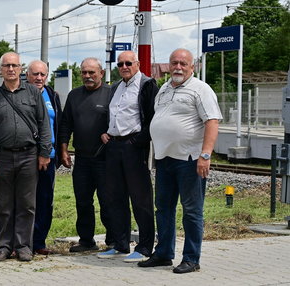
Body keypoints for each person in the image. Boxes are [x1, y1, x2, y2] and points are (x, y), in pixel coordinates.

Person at [139, 49, 222, 274]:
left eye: (183, 63)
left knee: (192, 210)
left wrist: (205, 155)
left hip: (190, 160)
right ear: (169, 64)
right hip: (165, 159)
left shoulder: (201, 90)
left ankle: (191, 259)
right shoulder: (164, 89)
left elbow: (212, 121)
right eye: (174, 62)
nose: (178, 67)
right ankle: (164, 253)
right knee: (163, 208)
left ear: (192, 67)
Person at [0, 52, 51, 263]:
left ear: (21, 69)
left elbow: (44, 124)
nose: (11, 69)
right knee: (3, 205)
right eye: (6, 66)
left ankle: (23, 246)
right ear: (1, 69)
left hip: (28, 155)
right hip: (1, 156)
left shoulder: (33, 93)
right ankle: (3, 246)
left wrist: (44, 153)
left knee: (27, 204)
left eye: (14, 66)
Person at [99, 50, 158, 262]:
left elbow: (152, 118)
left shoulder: (147, 85)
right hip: (114, 147)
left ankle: (144, 247)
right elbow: (114, 115)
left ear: (138, 64)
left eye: (128, 63)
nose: (124, 67)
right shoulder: (116, 87)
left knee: (140, 198)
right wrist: (107, 132)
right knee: (115, 197)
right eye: (120, 63)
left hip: (134, 147)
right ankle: (121, 244)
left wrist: (137, 141)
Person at [58, 58, 114, 253]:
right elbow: (65, 125)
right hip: (81, 159)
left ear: (102, 73)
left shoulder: (112, 93)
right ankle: (86, 240)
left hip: (105, 159)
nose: (88, 76)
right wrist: (64, 150)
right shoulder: (74, 96)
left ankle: (113, 240)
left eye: (92, 72)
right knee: (83, 201)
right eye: (84, 73)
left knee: (108, 201)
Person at [26, 60, 62, 256]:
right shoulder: (21, 94)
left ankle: (39, 241)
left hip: (49, 157)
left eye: (43, 75)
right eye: (35, 74)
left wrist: (60, 150)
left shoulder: (52, 96)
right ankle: (22, 242)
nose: (39, 78)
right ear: (27, 75)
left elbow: (60, 123)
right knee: (24, 201)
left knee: (45, 199)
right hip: (26, 157)